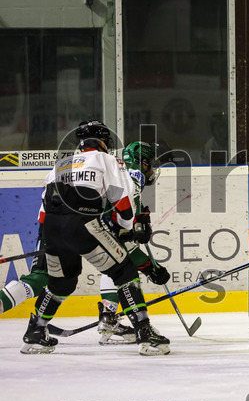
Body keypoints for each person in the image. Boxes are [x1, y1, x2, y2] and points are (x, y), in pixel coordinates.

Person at [20, 121, 170, 355]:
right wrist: (126, 229)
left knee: (62, 283)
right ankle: (144, 332)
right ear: (104, 142)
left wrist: (48, 241)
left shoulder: (60, 165)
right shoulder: (107, 160)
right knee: (124, 271)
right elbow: (122, 201)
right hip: (83, 224)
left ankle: (35, 333)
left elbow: (43, 213)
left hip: (51, 229)